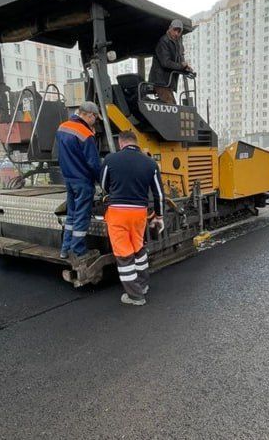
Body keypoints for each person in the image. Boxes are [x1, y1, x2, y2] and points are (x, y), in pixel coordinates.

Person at [100, 130, 164, 306]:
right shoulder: (150, 163)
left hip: (117, 213)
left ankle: (135, 296)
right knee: (138, 248)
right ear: (136, 142)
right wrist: (159, 215)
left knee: (124, 255)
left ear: (121, 143)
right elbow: (159, 194)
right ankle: (142, 286)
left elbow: (104, 185)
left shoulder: (110, 160)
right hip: (139, 213)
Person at [56, 101, 102, 259]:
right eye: (95, 118)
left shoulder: (62, 127)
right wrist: (103, 182)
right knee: (82, 216)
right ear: (90, 115)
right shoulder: (85, 133)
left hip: (68, 178)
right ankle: (79, 251)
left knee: (72, 215)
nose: (95, 121)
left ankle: (65, 249)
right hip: (82, 181)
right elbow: (94, 163)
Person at [148, 19, 194, 104]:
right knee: (171, 107)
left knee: (174, 107)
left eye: (179, 31)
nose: (176, 33)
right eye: (175, 30)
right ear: (170, 28)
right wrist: (181, 66)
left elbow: (180, 60)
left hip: (168, 83)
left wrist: (186, 69)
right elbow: (165, 62)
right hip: (160, 81)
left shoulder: (178, 44)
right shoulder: (163, 41)